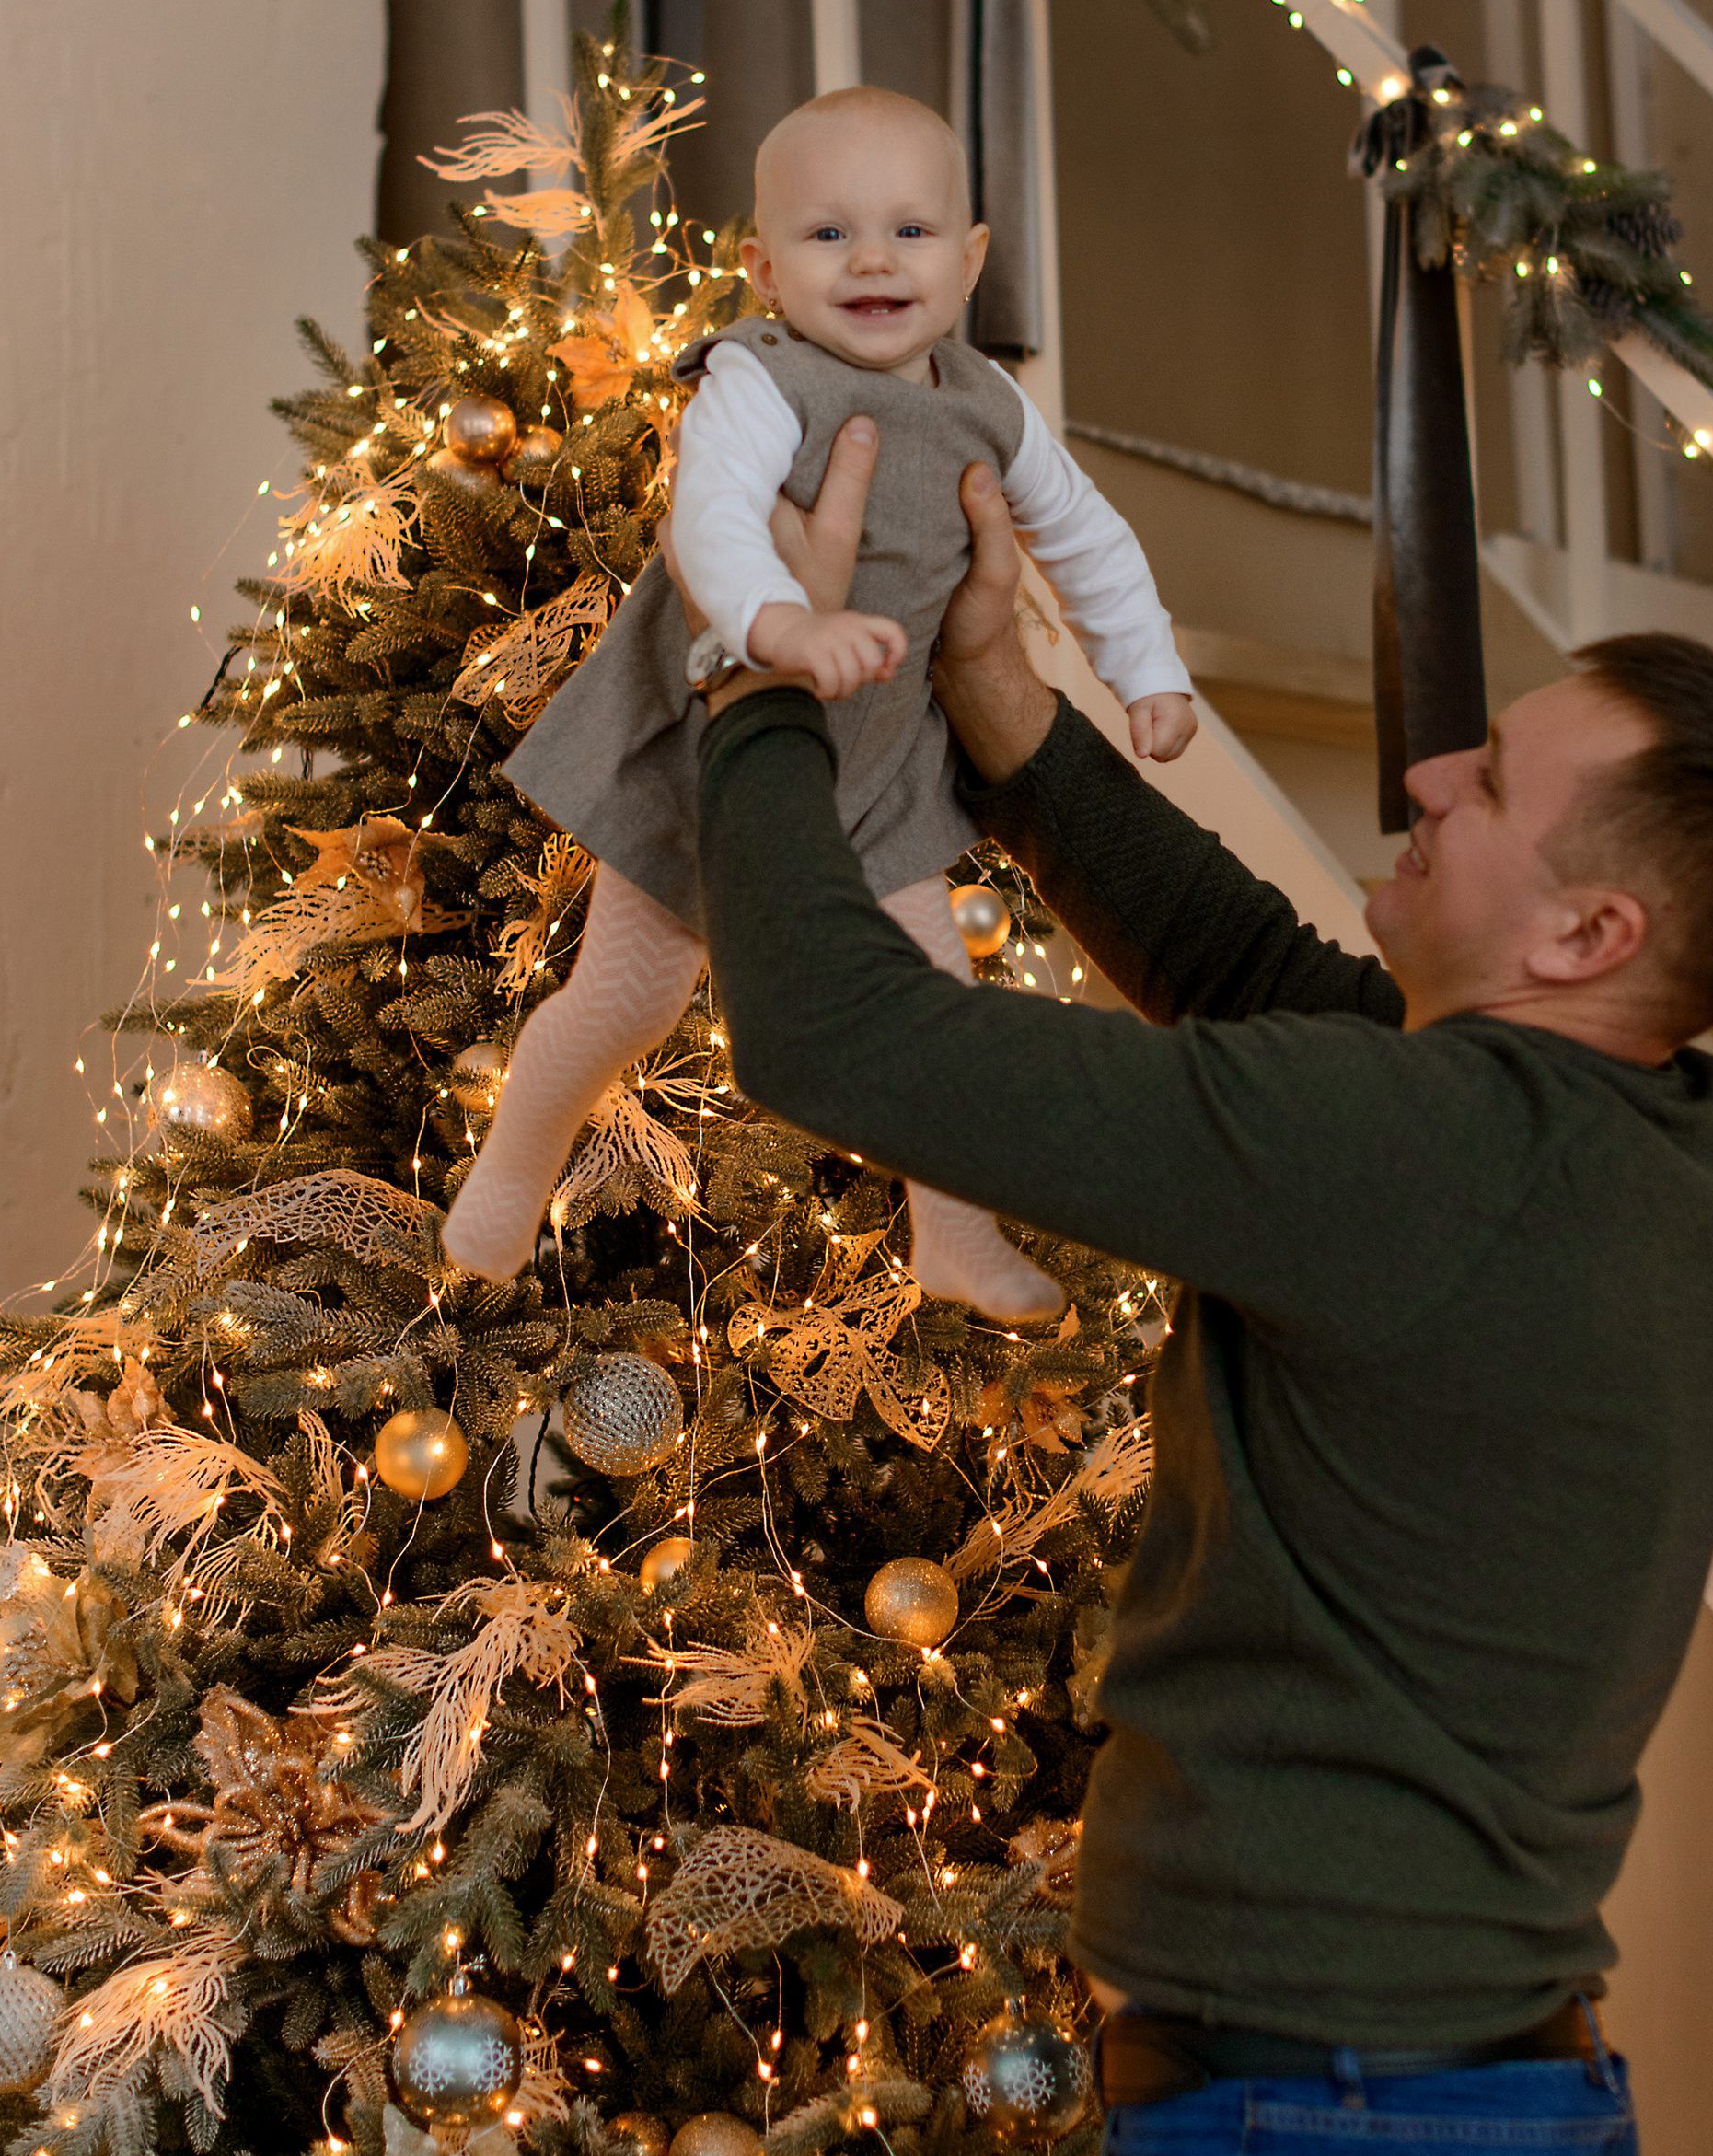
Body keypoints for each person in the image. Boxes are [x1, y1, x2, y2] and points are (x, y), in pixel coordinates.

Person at [684, 426, 1713, 2156]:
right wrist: (1007, 717)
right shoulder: (1659, 1133)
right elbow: (1253, 978)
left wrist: (752, 675)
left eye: (1486, 785)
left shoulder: (1412, 1155)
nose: (1424, 774)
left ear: (1588, 934)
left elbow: (837, 1034)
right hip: (1484, 2133)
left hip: (1325, 2153)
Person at [441, 84, 1194, 1320]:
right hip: (708, 741)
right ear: (764, 268)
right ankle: (514, 1172)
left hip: (878, 766)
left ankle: (953, 1235)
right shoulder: (760, 378)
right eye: (830, 233)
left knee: (934, 1007)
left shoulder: (990, 404)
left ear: (971, 260)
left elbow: (1086, 537)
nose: (875, 260)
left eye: (911, 230)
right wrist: (781, 624)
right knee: (629, 1000)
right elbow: (711, 517)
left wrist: (1146, 669)